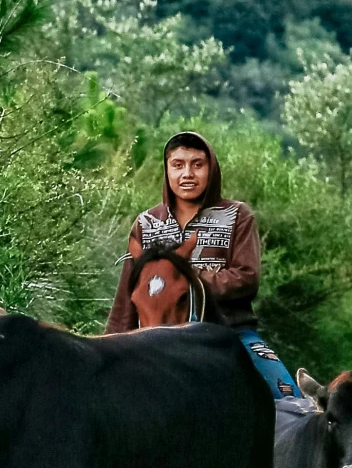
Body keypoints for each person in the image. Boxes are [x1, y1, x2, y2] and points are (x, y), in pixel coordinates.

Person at [105, 131, 302, 401]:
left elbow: (247, 277)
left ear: (211, 169)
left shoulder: (237, 216)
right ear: (167, 170)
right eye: (178, 165)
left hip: (231, 332)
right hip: (151, 338)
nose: (187, 173)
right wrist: (108, 347)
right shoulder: (146, 223)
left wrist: (190, 283)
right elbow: (129, 293)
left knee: (287, 398)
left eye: (197, 165)